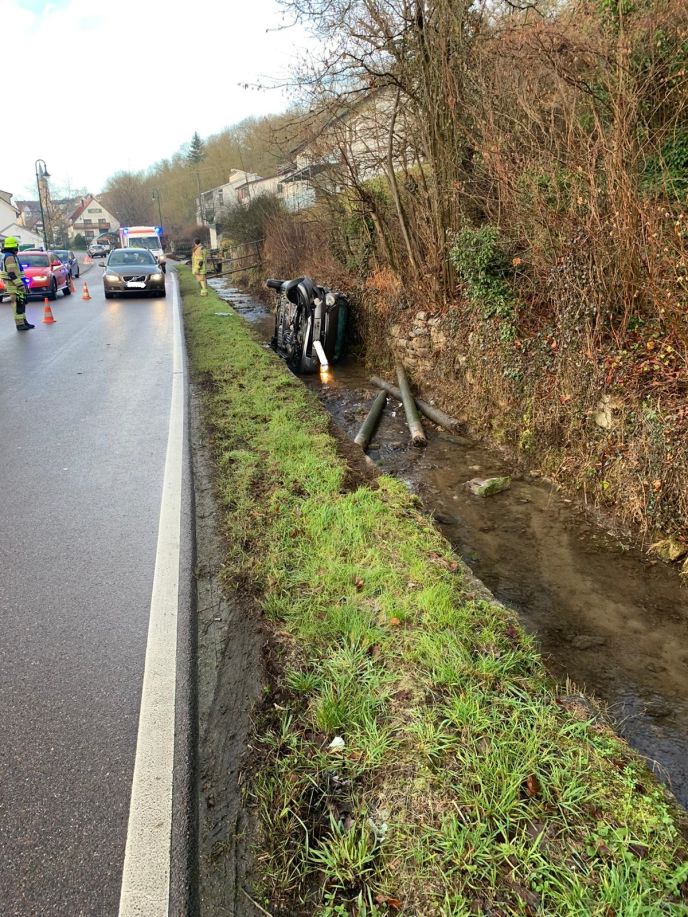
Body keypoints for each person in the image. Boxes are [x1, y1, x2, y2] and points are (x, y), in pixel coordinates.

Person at [0, 237, 34, 331]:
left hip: (15, 284)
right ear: (13, 247)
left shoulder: (8, 255)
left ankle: (23, 322)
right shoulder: (10, 257)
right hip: (13, 285)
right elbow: (12, 273)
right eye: (16, 246)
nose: (17, 249)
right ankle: (20, 324)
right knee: (18, 304)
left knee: (21, 303)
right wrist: (20, 285)